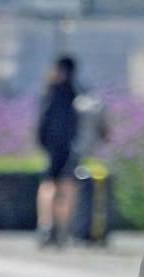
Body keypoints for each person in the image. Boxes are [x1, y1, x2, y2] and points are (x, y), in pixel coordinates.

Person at [34, 55, 80, 248]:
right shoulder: (75, 92)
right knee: (67, 186)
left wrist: (43, 142)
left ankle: (46, 225)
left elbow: (43, 122)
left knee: (50, 185)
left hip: (54, 146)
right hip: (69, 146)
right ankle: (61, 227)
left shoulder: (51, 91)